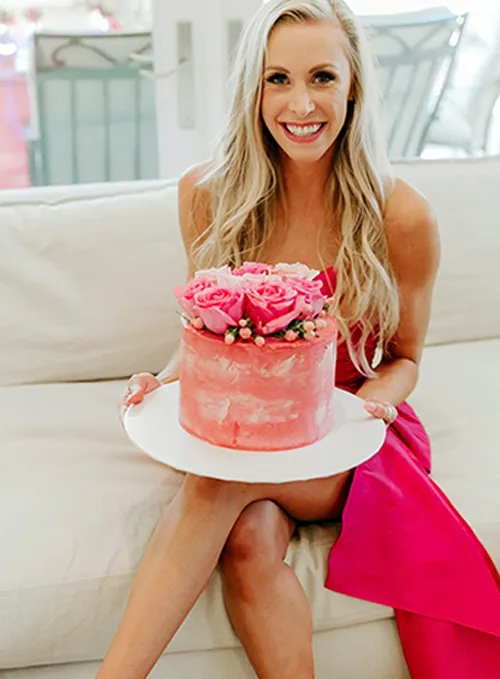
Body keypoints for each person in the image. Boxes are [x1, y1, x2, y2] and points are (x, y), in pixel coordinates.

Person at [98, 1, 500, 678]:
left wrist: (373, 403)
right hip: (248, 420)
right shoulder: (207, 194)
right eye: (277, 78)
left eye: (321, 76)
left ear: (354, 88)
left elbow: (404, 359)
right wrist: (164, 381)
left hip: (346, 428)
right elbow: (211, 339)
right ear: (252, 90)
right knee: (250, 541)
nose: (301, 102)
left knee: (215, 483)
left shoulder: (403, 215)